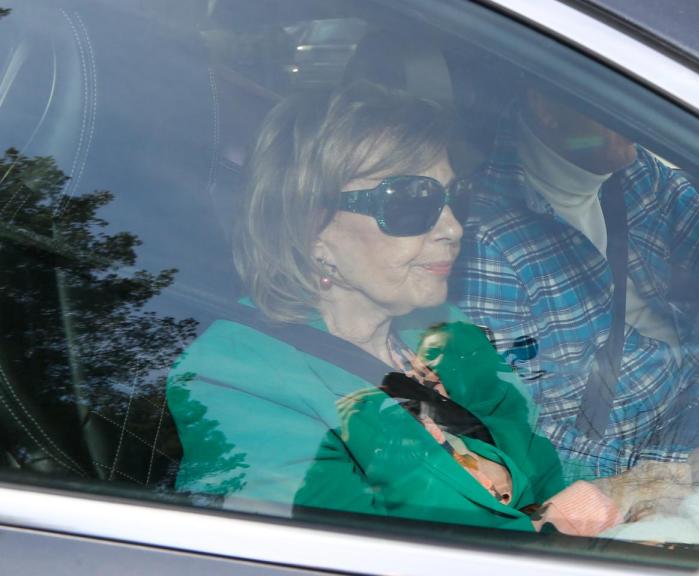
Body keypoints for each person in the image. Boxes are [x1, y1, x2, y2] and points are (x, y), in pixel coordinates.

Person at [166, 83, 622, 534]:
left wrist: (652, 485)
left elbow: (546, 469)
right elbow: (332, 556)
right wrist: (552, 531)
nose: (453, 227)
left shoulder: (442, 334)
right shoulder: (239, 379)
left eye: (453, 197)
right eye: (411, 203)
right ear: (312, 227)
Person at [453, 87, 699, 479]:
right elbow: (521, 435)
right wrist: (674, 470)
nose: (635, 111)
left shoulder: (630, 170)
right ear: (547, 104)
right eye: (610, 94)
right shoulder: (487, 241)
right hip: (635, 453)